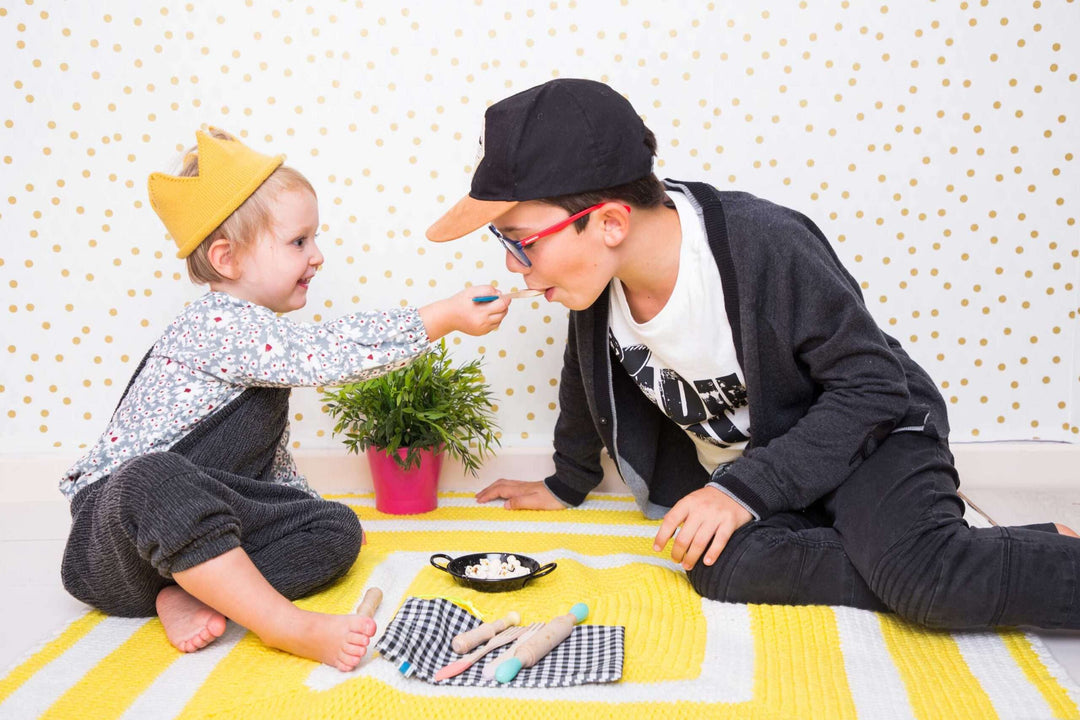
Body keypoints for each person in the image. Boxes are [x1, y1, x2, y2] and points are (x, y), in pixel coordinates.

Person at [426, 78, 1080, 630]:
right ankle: (943, 553)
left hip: (870, 433)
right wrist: (568, 481)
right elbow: (583, 381)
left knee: (925, 583)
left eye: (521, 243)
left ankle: (927, 563)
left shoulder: (762, 245)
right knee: (712, 563)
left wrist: (744, 490)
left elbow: (874, 387)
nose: (518, 269)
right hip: (773, 471)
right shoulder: (595, 293)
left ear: (610, 222)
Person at [59, 128, 511, 671]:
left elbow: (268, 466)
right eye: (299, 242)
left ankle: (193, 592)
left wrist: (304, 510)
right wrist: (437, 318)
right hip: (116, 542)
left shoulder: (263, 347)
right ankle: (284, 626)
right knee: (153, 475)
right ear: (227, 258)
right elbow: (327, 352)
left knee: (335, 528)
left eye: (314, 239)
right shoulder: (216, 324)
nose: (317, 256)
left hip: (196, 541)